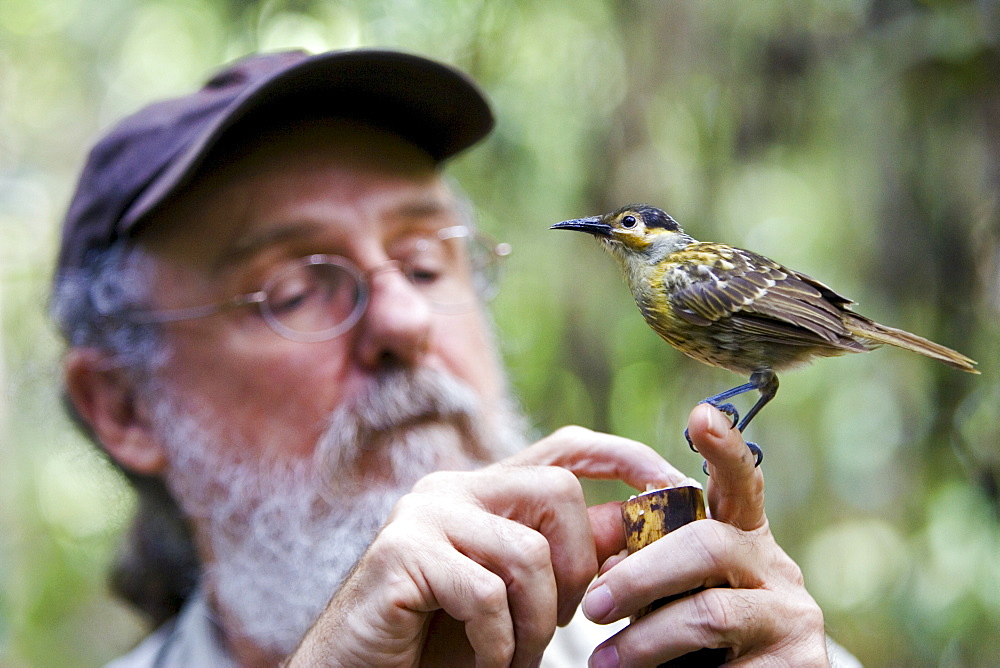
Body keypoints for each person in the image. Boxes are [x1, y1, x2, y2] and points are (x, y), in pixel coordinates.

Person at [51, 49, 853, 667]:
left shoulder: (727, 644)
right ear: (124, 406)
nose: (405, 318)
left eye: (428, 265)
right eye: (294, 291)